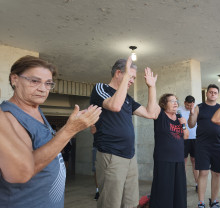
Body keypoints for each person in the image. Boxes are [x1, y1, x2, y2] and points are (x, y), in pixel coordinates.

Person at [0, 55, 101, 208]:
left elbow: (51, 145)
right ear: (15, 79)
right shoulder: (8, 116)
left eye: (48, 83)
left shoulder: (35, 109)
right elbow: (22, 171)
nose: (42, 89)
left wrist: (72, 125)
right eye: (34, 81)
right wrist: (70, 129)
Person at [90, 56, 158, 208]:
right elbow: (114, 105)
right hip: (111, 154)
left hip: (130, 156)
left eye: (133, 77)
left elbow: (151, 113)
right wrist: (127, 76)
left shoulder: (127, 98)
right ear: (118, 73)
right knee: (110, 202)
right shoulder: (101, 88)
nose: (132, 80)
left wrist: (151, 87)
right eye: (130, 76)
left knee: (131, 202)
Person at [188, 84, 220, 208]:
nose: (213, 94)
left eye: (215, 92)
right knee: (203, 173)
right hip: (202, 145)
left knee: (216, 173)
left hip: (219, 145)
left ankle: (214, 200)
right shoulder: (199, 107)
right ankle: (201, 202)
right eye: (211, 92)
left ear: (217, 94)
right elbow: (191, 124)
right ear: (207, 93)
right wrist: (191, 114)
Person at [149, 93, 189, 208]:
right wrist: (151, 86)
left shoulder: (179, 118)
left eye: (176, 100)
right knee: (164, 190)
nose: (175, 103)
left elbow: (185, 136)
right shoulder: (160, 115)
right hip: (164, 160)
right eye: (172, 101)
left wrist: (184, 124)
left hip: (179, 159)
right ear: (164, 104)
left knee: (179, 191)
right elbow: (152, 105)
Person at [178, 95, 199, 192]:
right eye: (187, 105)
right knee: (183, 161)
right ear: (184, 102)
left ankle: (197, 184)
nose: (188, 107)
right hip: (183, 138)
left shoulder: (196, 110)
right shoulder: (179, 110)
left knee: (195, 161)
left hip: (195, 138)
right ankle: (182, 183)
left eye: (190, 105)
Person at [90, 124, 99, 200]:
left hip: (109, 147)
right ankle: (97, 191)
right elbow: (93, 131)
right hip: (97, 147)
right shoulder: (97, 117)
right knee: (96, 169)